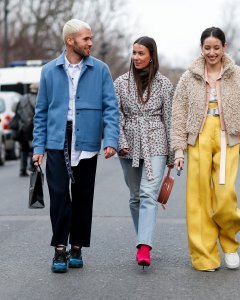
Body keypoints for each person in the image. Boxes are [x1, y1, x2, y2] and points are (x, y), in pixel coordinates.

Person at [172, 27, 240, 272]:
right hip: (198, 137)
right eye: (207, 47)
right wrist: (179, 150)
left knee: (224, 197)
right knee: (198, 200)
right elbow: (179, 114)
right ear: (201, 48)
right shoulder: (189, 77)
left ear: (225, 47)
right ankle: (205, 257)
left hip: (227, 138)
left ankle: (230, 244)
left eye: (216, 47)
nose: (211, 52)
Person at [32, 19, 119, 273]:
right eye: (86, 39)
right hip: (57, 139)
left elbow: (111, 109)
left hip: (87, 139)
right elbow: (41, 112)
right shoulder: (49, 70)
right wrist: (38, 148)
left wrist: (111, 140)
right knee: (59, 195)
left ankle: (77, 246)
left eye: (90, 38)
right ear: (70, 41)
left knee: (82, 196)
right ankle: (60, 248)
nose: (90, 43)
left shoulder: (101, 70)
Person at [114, 36, 174, 268]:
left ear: (152, 56)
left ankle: (144, 246)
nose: (136, 57)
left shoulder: (164, 84)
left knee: (149, 194)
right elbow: (115, 114)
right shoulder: (120, 83)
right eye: (134, 53)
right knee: (135, 196)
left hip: (156, 139)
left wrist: (172, 154)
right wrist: (121, 140)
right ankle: (144, 238)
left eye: (141, 53)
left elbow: (168, 118)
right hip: (128, 141)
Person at [11, 83, 38, 176]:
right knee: (33, 148)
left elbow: (15, 110)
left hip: (22, 128)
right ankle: (32, 167)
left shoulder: (22, 98)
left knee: (23, 149)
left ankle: (22, 169)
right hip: (33, 128)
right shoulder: (38, 99)